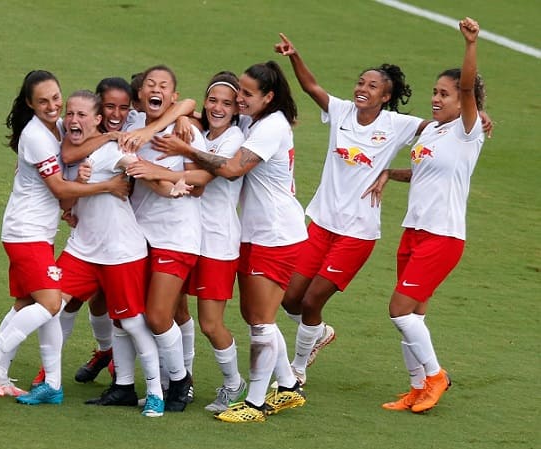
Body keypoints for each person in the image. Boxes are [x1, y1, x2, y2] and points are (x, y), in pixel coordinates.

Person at [274, 34, 449, 387]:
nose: (362, 89)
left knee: (310, 301)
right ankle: (319, 333)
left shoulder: (396, 125)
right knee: (289, 298)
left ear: (386, 96)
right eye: (360, 82)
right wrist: (294, 55)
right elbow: (311, 87)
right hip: (321, 223)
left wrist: (479, 118)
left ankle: (297, 369)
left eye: (372, 86)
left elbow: (445, 127)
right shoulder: (340, 112)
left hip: (357, 233)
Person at [147, 61, 308, 423]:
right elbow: (187, 105)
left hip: (272, 235)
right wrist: (186, 121)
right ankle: (286, 385)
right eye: (234, 97)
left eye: (243, 96)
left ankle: (252, 403)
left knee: (257, 322)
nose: (237, 103)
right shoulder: (252, 122)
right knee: (253, 316)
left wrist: (178, 151)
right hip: (243, 234)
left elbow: (230, 170)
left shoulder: (260, 129)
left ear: (267, 96)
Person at [0, 70, 128, 404]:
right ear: (30, 103)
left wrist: (100, 148)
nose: (53, 105)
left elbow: (70, 159)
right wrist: (105, 185)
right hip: (25, 233)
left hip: (36, 232)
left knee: (25, 304)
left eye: (56, 98)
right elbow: (58, 188)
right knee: (51, 303)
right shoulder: (38, 136)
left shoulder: (55, 128)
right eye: (43, 101)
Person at [364, 18, 486, 413]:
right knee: (413, 315)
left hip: (443, 235)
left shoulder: (468, 131)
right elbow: (423, 172)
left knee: (398, 309)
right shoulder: (432, 131)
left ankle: (436, 377)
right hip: (414, 231)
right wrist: (388, 173)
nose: (437, 98)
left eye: (445, 94)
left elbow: (468, 87)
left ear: (463, 101)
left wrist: (470, 44)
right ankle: (417, 388)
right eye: (435, 92)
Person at [127, 71, 247, 413]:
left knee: (210, 322)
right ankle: (183, 380)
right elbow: (185, 105)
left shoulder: (231, 137)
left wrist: (157, 170)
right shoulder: (193, 124)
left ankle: (233, 382)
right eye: (213, 100)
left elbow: (206, 178)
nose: (217, 107)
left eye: (226, 102)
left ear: (236, 108)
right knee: (178, 312)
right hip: (189, 233)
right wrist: (179, 115)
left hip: (216, 241)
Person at [55, 89, 165, 416]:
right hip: (83, 248)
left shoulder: (111, 149)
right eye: (70, 115)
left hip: (121, 251)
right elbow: (65, 201)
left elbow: (135, 165)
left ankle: (156, 393)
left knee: (130, 322)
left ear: (98, 121)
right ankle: (49, 380)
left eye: (83, 116)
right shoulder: (64, 148)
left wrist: (171, 185)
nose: (75, 121)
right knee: (51, 307)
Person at [127, 65, 207, 412]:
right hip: (139, 233)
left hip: (177, 235)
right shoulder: (131, 126)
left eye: (163, 86)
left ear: (172, 97)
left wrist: (162, 176)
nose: (155, 89)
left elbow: (201, 180)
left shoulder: (186, 133)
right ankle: (160, 382)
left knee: (159, 316)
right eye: (149, 85)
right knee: (151, 314)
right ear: (140, 94)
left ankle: (180, 381)